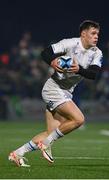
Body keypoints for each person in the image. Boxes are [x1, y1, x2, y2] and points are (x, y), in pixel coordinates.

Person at [8, 20, 103, 167]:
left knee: (50, 133)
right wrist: (52, 62)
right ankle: (45, 144)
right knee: (78, 119)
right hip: (53, 88)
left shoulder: (97, 53)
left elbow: (94, 74)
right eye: (93, 33)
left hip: (66, 92)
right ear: (83, 34)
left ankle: (17, 153)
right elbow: (45, 53)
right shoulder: (70, 43)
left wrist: (78, 69)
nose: (96, 36)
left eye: (98, 33)